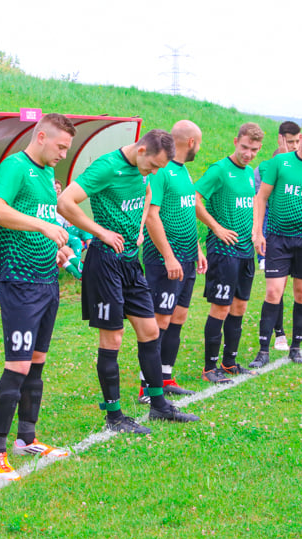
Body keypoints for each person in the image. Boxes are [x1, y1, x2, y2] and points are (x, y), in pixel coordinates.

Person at [58, 129, 199, 434]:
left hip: (131, 262)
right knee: (114, 338)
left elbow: (147, 196)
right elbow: (65, 202)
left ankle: (159, 404)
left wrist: (138, 227)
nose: (155, 171)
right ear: (141, 149)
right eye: (153, 165)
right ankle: (114, 416)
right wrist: (101, 232)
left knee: (150, 330)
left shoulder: (145, 170)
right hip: (105, 262)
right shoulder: (107, 166)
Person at [0, 113, 76, 481]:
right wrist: (43, 225)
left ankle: (27, 438)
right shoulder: (15, 166)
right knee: (17, 365)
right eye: (60, 147)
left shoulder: (44, 175)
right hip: (19, 281)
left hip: (45, 279)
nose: (63, 155)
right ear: (40, 136)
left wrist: (54, 249)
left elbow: (30, 221)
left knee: (37, 361)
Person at [250, 120, 302, 367]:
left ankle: (296, 348)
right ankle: (263, 351)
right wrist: (259, 232)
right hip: (278, 238)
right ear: (300, 139)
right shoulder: (280, 163)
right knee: (273, 292)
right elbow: (261, 198)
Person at [139, 120, 207, 396]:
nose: (199, 148)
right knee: (160, 320)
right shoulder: (162, 171)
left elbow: (185, 212)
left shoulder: (184, 171)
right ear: (191, 142)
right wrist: (168, 256)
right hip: (166, 259)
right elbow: (152, 215)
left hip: (188, 257)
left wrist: (198, 249)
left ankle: (166, 378)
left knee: (177, 317)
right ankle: (147, 385)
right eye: (199, 143)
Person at [196, 122, 265, 381]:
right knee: (221, 309)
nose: (248, 154)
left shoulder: (249, 173)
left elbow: (255, 203)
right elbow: (194, 198)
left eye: (254, 150)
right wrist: (216, 228)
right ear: (236, 141)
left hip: (247, 251)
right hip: (224, 251)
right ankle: (209, 368)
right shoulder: (220, 170)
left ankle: (229, 363)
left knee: (239, 308)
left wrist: (257, 232)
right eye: (245, 147)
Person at [254, 121, 301, 351]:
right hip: (274, 236)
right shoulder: (263, 170)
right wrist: (258, 235)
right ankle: (279, 334)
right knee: (276, 288)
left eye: (296, 142)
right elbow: (259, 203)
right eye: (288, 142)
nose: (293, 147)